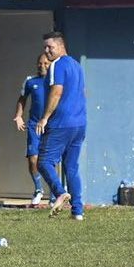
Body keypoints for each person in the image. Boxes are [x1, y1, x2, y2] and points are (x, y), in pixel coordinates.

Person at [35, 31, 87, 220]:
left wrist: (45, 118)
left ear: (61, 46)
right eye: (45, 47)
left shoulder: (57, 65)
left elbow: (56, 92)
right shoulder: (77, 65)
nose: (47, 51)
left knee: (44, 162)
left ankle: (59, 193)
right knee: (71, 166)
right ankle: (78, 212)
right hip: (79, 124)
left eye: (50, 47)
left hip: (61, 124)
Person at [13, 51, 50, 206]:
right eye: (40, 63)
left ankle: (56, 193)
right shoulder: (30, 81)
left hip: (51, 126)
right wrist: (18, 116)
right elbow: (22, 99)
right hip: (34, 126)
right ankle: (39, 189)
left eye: (46, 63)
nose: (42, 66)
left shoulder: (56, 82)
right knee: (33, 160)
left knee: (49, 162)